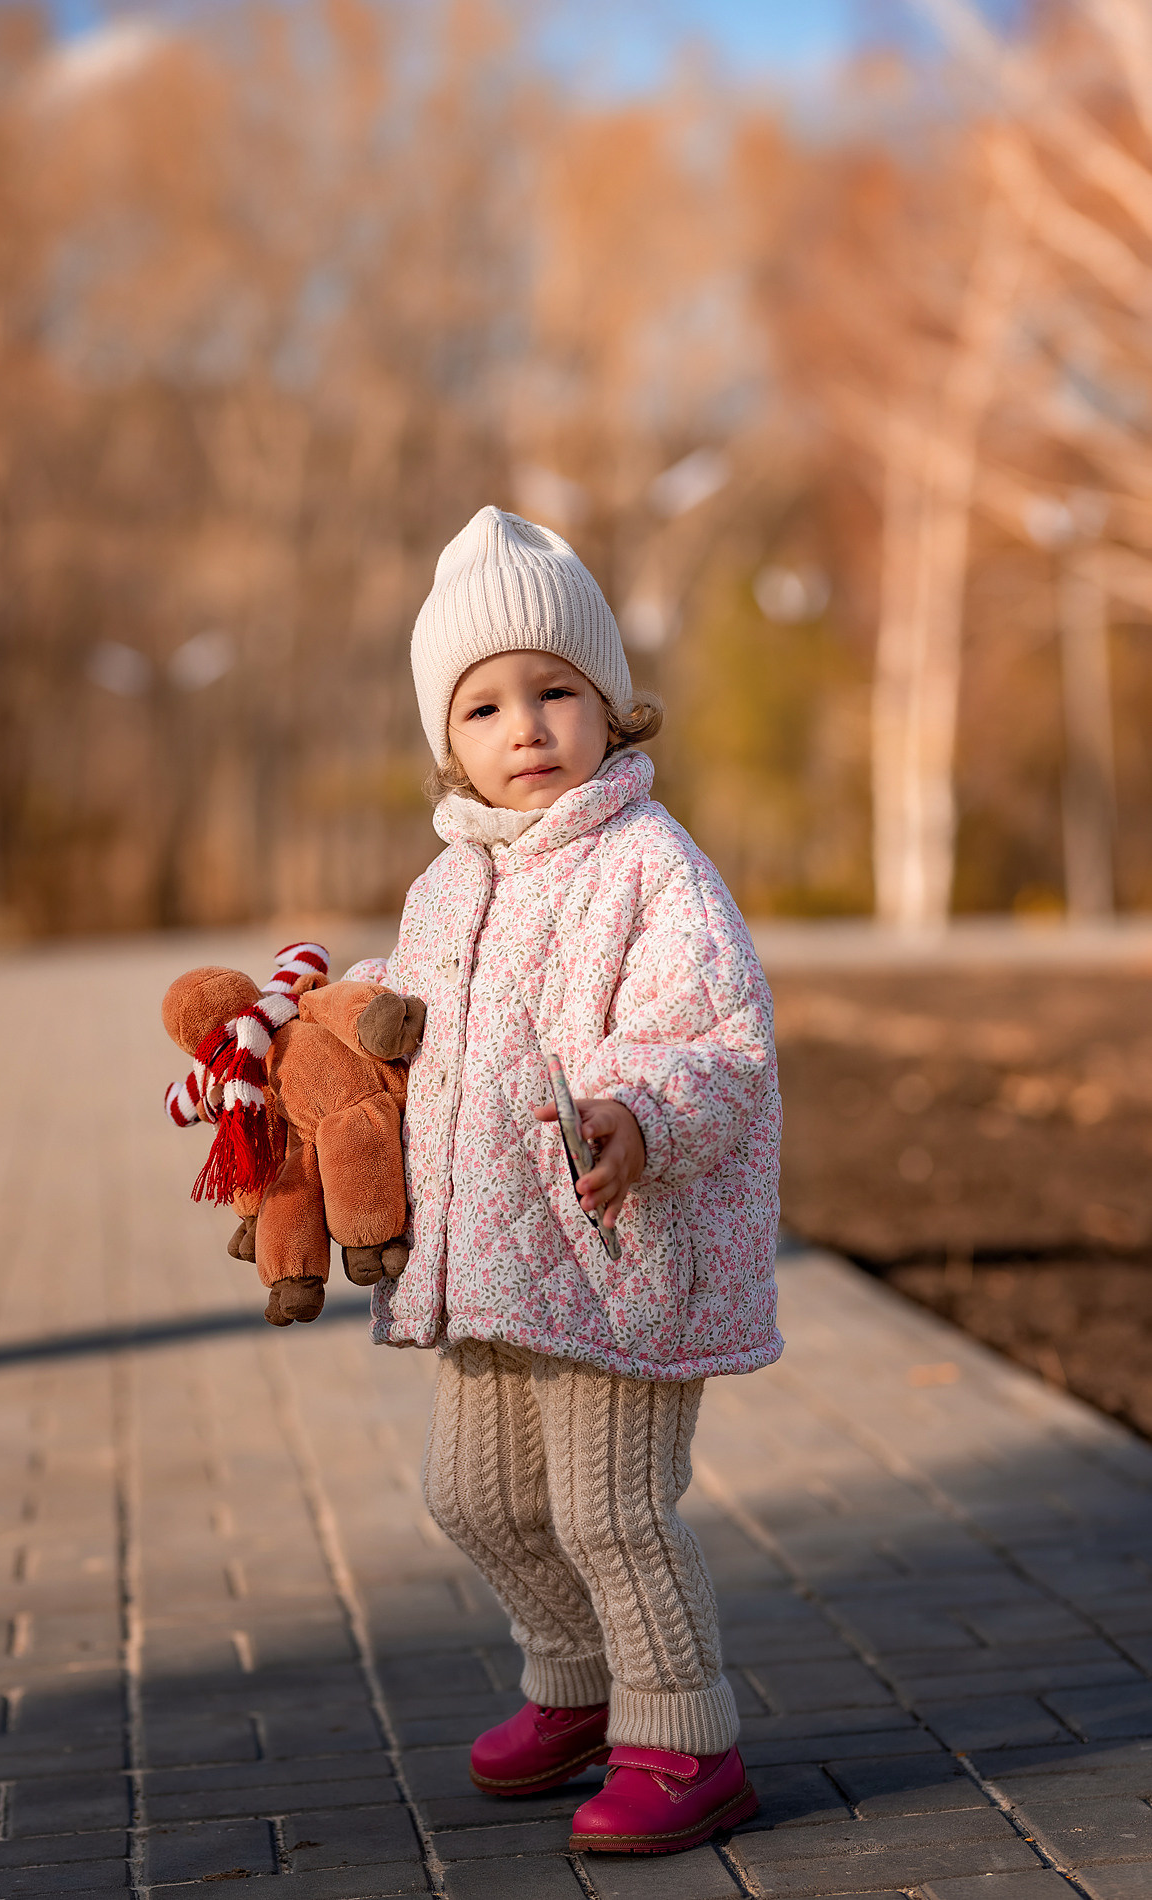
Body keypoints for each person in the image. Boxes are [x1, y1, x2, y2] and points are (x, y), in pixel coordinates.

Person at [345, 505, 782, 1856]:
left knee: (609, 1510)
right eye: (484, 707)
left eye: (556, 691)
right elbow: (417, 1021)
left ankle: (683, 1734)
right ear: (447, 739)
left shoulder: (648, 865)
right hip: (483, 1260)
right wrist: (339, 1030)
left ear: (611, 708)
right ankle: (576, 1689)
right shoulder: (444, 881)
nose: (524, 727)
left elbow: (719, 1036)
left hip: (613, 1250)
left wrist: (639, 1112)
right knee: (478, 1500)